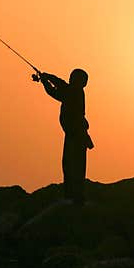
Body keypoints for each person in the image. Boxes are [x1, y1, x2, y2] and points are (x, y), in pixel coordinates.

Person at [38, 68, 94, 204]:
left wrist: (45, 82)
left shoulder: (74, 92)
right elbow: (61, 84)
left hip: (76, 134)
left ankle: (74, 196)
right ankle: (75, 195)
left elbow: (56, 93)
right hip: (76, 133)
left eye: (73, 77)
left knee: (71, 164)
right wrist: (47, 76)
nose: (70, 79)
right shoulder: (75, 90)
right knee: (74, 164)